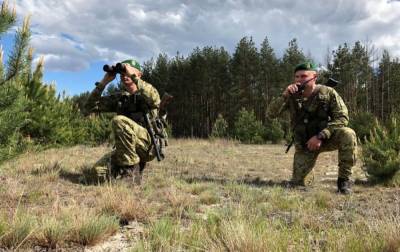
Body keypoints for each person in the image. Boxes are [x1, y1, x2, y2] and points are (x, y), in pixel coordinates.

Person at [267, 61, 357, 194]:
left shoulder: (328, 93)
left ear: (314, 77)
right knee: (297, 183)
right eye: (296, 77)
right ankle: (308, 172)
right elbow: (270, 114)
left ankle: (344, 181)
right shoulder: (291, 96)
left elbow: (342, 118)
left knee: (348, 134)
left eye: (303, 76)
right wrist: (284, 95)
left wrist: (321, 135)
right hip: (305, 144)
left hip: (326, 138)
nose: (299, 80)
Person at [83, 59, 162, 185]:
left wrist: (131, 74)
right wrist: (104, 82)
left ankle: (131, 174)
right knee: (97, 172)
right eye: (122, 72)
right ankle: (122, 173)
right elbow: (88, 108)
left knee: (119, 121)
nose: (125, 74)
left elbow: (155, 99)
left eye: (128, 71)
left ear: (139, 74)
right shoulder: (121, 98)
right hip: (125, 148)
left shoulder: (147, 93)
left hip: (148, 145)